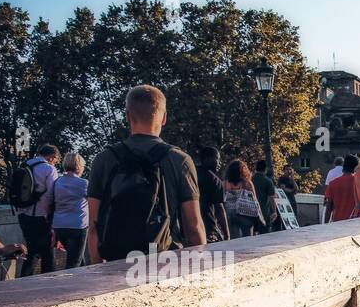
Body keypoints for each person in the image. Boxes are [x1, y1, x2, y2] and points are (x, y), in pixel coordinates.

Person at [86, 84, 203, 264]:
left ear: (127, 116)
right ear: (164, 118)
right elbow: (193, 227)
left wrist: (97, 269)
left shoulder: (104, 159)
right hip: (165, 262)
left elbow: (93, 226)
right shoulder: (180, 160)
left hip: (116, 264)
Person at [15, 144, 59, 275]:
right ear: (52, 157)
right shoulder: (49, 169)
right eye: (56, 160)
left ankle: (23, 283)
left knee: (32, 252)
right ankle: (49, 286)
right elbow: (52, 194)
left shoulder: (25, 164)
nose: (55, 163)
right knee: (47, 254)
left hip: (22, 215)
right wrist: (49, 214)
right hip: (40, 217)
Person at [43, 152, 89, 268]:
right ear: (79, 166)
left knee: (78, 258)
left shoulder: (57, 182)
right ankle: (70, 285)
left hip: (59, 226)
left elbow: (49, 202)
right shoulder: (83, 183)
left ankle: (83, 283)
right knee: (74, 263)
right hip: (78, 226)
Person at [196, 147, 230, 243]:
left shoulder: (190, 174)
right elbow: (219, 209)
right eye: (217, 158)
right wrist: (227, 235)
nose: (219, 163)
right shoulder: (214, 180)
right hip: (207, 228)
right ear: (207, 158)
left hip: (186, 228)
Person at [222, 160, 262, 239]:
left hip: (230, 215)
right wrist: (258, 219)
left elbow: (222, 200)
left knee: (234, 241)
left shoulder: (225, 183)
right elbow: (255, 201)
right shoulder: (247, 183)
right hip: (246, 214)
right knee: (247, 241)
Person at [324, 154, 360, 222]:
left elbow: (329, 208)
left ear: (343, 166)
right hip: (355, 221)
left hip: (337, 222)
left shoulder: (333, 183)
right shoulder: (359, 183)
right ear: (356, 167)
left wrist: (326, 225)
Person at [251, 160, 280, 234]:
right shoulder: (268, 181)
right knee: (264, 235)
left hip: (250, 211)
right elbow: (271, 198)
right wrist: (274, 211)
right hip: (264, 212)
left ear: (256, 168)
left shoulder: (250, 179)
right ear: (265, 169)